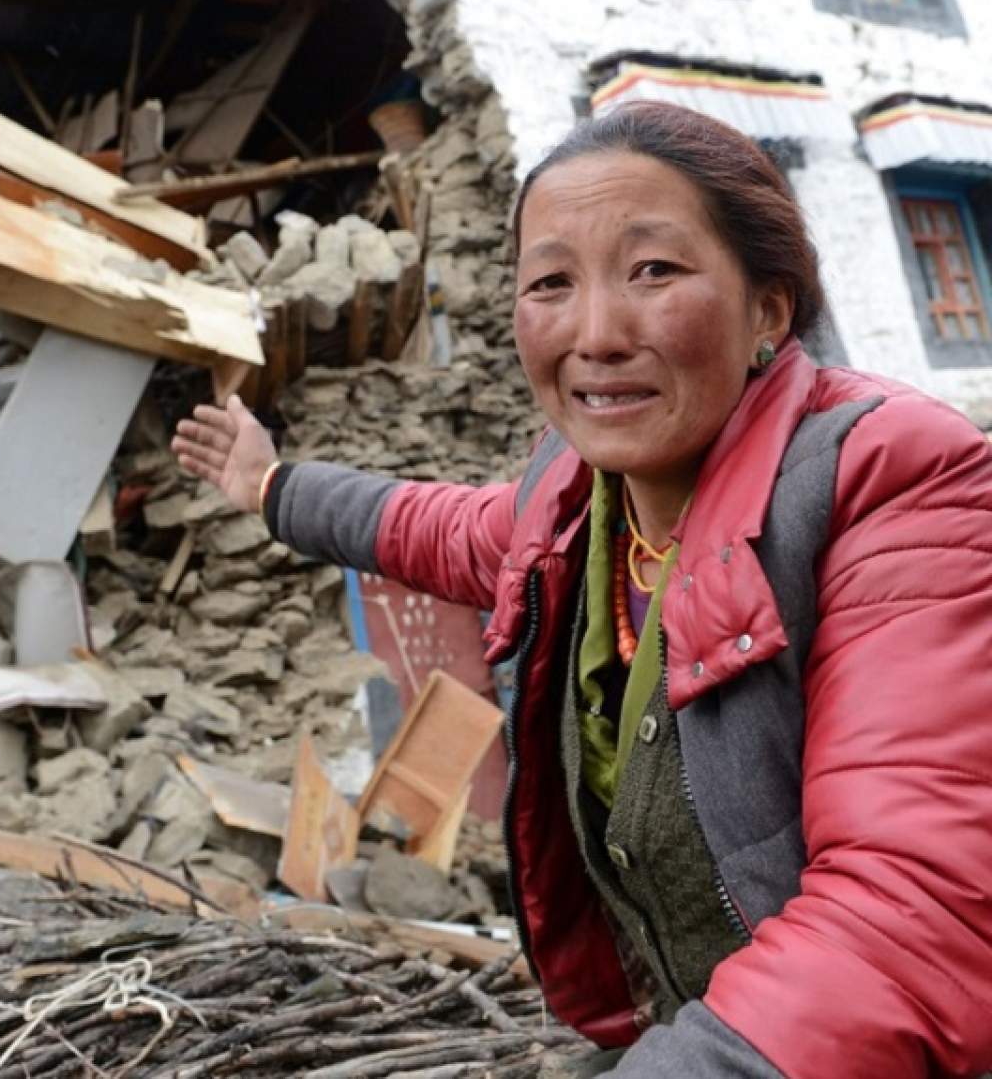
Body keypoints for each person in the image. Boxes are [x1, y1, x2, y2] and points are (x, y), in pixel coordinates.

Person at [171, 101, 992, 1077]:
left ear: (768, 309)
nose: (595, 334)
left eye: (654, 271)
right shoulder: (571, 509)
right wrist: (269, 486)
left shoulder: (891, 485)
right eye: (551, 283)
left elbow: (909, 923)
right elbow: (422, 527)